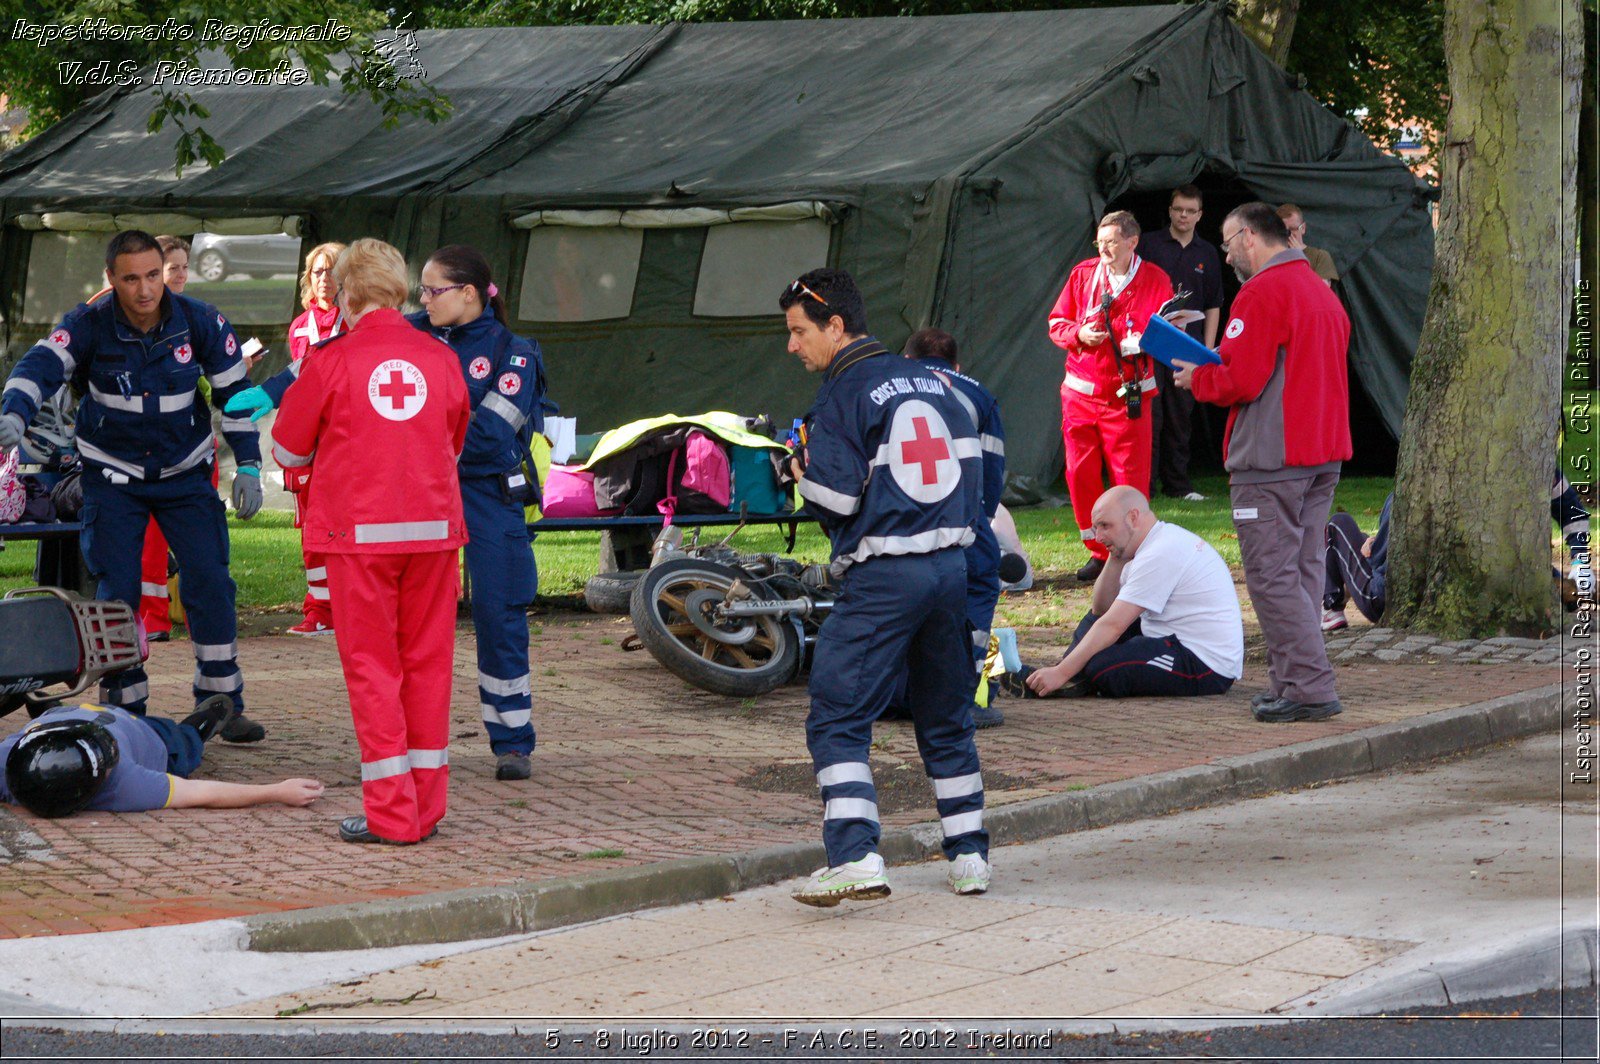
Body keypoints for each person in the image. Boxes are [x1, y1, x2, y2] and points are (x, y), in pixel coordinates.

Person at [233, 244, 549, 782]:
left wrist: (399, 434)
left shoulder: (514, 352)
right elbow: (331, 356)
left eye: (433, 290)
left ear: (468, 294)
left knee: (499, 610)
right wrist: (270, 391)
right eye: (418, 289)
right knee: (404, 635)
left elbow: (491, 434)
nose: (422, 299)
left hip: (484, 491)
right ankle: (401, 749)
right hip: (418, 490)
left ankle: (512, 739)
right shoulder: (417, 337)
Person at [0, 230, 267, 743]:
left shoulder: (202, 321)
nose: (145, 290)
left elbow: (237, 397)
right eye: (131, 278)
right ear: (111, 279)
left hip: (185, 475)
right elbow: (39, 366)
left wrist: (250, 466)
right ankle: (125, 714)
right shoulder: (88, 323)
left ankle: (222, 702)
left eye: (153, 275)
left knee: (210, 583)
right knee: (116, 596)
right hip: (112, 479)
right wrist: (14, 410)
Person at [780, 268, 991, 906]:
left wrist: (797, 471)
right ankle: (971, 858)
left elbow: (838, 498)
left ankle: (855, 856)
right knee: (948, 717)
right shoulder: (945, 384)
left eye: (797, 332)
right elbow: (983, 483)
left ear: (836, 325)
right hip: (953, 570)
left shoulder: (841, 394)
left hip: (884, 575)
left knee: (838, 716)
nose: (792, 347)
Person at [269, 238, 471, 845]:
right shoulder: (441, 358)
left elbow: (287, 448)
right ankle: (426, 810)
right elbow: (453, 440)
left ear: (348, 295)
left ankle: (391, 816)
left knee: (373, 671)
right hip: (434, 537)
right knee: (429, 667)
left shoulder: (330, 361)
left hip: (358, 539)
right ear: (403, 291)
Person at [1172, 202, 1351, 724]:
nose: (1227, 257)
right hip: (1322, 454)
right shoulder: (1321, 289)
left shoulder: (1261, 293)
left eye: (1227, 245)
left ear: (1249, 237)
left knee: (1273, 577)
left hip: (1273, 457)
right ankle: (1293, 682)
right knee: (1302, 572)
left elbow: (1241, 380)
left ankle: (1310, 687)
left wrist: (1196, 378)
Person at [1016, 486, 1241, 699]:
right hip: (1172, 639)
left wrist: (1062, 672)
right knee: (1096, 630)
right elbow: (1102, 610)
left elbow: (1114, 625)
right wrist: (1115, 555)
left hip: (1206, 666)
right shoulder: (1150, 544)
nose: (1099, 537)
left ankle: (1068, 677)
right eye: (1096, 528)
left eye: (1105, 526)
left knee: (1102, 668)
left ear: (1133, 518)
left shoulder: (1160, 552)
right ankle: (1068, 676)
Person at [1047, 211, 1173, 583]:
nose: (1103, 249)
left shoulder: (1156, 279)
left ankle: (1133, 553)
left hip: (1129, 397)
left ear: (1132, 242)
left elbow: (1169, 334)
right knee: (1079, 473)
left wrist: (1144, 343)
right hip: (1081, 394)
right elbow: (1057, 323)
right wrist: (1078, 335)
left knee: (1129, 480)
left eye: (1111, 242)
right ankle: (1099, 551)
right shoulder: (1083, 274)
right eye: (1099, 242)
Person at [904, 327, 1007, 729]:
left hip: (897, 516)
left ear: (907, 359)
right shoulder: (978, 394)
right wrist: (982, 515)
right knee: (980, 582)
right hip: (960, 514)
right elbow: (992, 468)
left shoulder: (887, 385)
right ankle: (965, 696)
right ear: (956, 366)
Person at [1, 698, 323, 817]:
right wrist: (277, 791)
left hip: (120, 724)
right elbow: (203, 793)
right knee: (183, 748)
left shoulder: (6, 761)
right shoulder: (124, 784)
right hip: (153, 740)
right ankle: (195, 731)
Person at [1138, 186, 1223, 502]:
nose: (1183, 216)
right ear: (1169, 210)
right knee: (1150, 414)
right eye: (1178, 209)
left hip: (1189, 346)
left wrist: (1207, 349)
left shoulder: (1208, 252)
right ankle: (1143, 487)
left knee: (1180, 417)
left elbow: (1214, 302)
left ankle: (1178, 486)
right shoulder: (1149, 244)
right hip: (1152, 342)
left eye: (1190, 210)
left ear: (1200, 214)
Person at [283, 241, 347, 637]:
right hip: (310, 446)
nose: (324, 279)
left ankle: (347, 606)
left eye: (332, 271)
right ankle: (319, 610)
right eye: (318, 272)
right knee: (313, 531)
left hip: (346, 443)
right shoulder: (299, 326)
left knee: (348, 527)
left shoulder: (354, 321)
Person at [136, 235, 194, 644]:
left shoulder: (198, 317)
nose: (180, 276)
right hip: (148, 450)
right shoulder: (132, 319)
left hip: (192, 447)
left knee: (199, 540)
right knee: (150, 542)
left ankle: (199, 617)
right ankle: (153, 619)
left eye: (183, 268)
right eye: (172, 269)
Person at [1275, 204, 1338, 287]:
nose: (1288, 235)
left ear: (1303, 228)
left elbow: (1321, 292)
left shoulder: (1319, 256)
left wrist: (1299, 258)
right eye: (1283, 230)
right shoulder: (1272, 258)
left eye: (1293, 229)